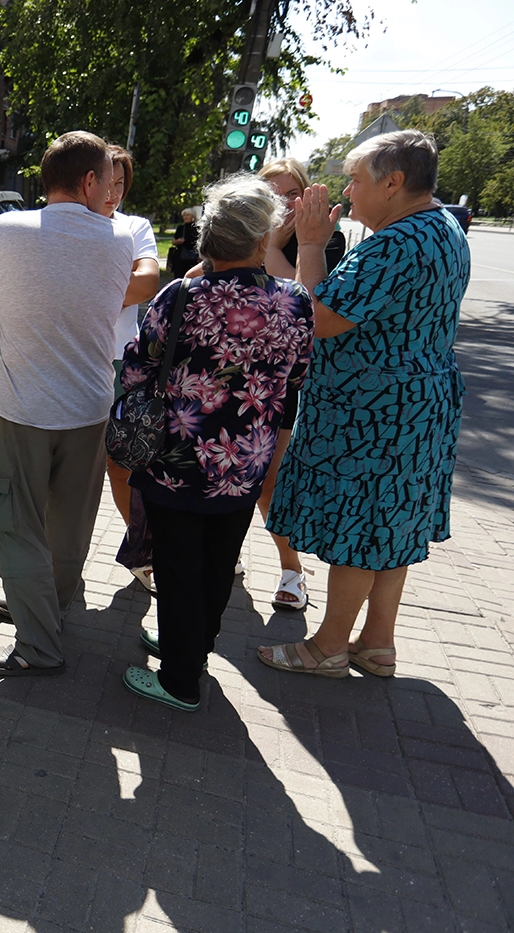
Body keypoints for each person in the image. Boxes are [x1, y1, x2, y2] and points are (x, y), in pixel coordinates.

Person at [260, 129, 468, 679]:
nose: (348, 194)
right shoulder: (443, 226)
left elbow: (319, 318)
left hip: (374, 414)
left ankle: (326, 647)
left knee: (359, 527)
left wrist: (306, 247)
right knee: (392, 524)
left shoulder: (396, 242)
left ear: (394, 183)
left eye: (355, 181)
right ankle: (377, 643)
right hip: (415, 405)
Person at [117, 177, 314, 711]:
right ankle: (194, 649)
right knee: (219, 562)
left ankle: (181, 680)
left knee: (179, 568)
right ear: (259, 240)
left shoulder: (182, 294)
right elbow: (297, 376)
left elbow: (138, 365)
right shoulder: (293, 302)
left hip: (174, 460)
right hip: (245, 463)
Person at [0, 130, 134, 676]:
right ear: (90, 181)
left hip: (20, 407)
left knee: (15, 524)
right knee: (69, 528)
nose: (112, 193)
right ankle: (47, 611)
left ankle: (37, 643)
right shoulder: (118, 243)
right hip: (90, 409)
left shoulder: (4, 229)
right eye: (109, 182)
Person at [253, 157, 349, 611]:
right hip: (236, 374)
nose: (285, 203)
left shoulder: (324, 242)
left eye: (292, 193)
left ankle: (292, 571)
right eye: (272, 193)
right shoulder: (240, 229)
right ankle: (222, 555)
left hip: (287, 378)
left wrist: (273, 243)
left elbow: (301, 302)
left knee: (270, 481)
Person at [100, 144, 162, 592]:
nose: (114, 192)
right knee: (65, 470)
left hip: (121, 361)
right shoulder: (61, 223)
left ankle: (142, 547)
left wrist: (72, 284)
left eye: (122, 183)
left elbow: (145, 284)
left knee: (122, 465)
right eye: (107, 181)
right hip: (67, 360)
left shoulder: (134, 227)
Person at [167, 208, 199, 278]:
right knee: (179, 277)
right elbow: (173, 241)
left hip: (192, 257)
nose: (185, 217)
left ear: (193, 216)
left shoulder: (198, 228)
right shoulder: (180, 228)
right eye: (184, 215)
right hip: (180, 257)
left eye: (187, 215)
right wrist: (177, 241)